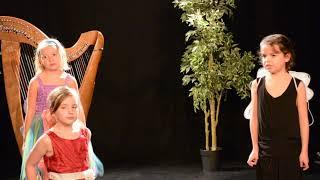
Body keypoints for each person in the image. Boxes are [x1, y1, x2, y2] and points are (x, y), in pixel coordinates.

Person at [20, 38, 103, 179]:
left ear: (61, 56)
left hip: (65, 125)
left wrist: (82, 127)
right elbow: (31, 111)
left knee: (64, 161)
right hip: (40, 126)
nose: (50, 59)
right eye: (44, 57)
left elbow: (79, 107)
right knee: (43, 163)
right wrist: (26, 137)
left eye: (54, 55)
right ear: (40, 61)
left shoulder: (69, 80)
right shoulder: (35, 82)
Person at [247, 34, 309, 180]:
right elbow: (254, 118)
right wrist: (255, 148)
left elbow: (303, 120)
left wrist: (304, 151)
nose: (267, 60)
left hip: (291, 153)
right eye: (264, 56)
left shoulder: (297, 85)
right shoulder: (256, 85)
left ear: (286, 57)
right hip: (265, 152)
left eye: (273, 55)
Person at [26, 86, 95, 179]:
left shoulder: (85, 133)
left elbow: (87, 163)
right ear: (53, 112)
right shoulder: (47, 140)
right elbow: (30, 165)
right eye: (63, 107)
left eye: (74, 107)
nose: (70, 111)